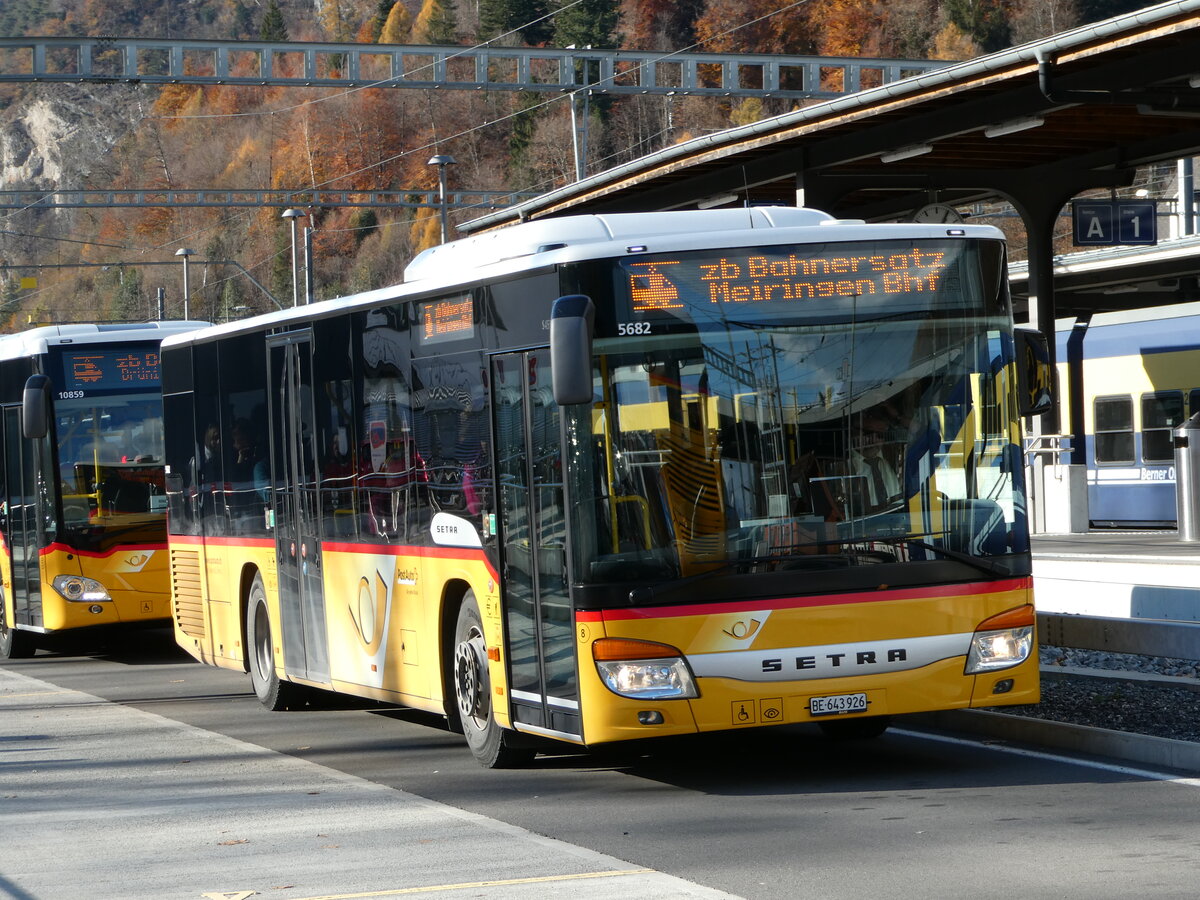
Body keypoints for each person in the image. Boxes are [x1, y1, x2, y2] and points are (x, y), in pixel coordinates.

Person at [850, 408, 901, 512]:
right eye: (867, 433)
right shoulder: (841, 464)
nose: (873, 440)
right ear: (853, 432)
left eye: (880, 435)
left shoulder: (891, 459)